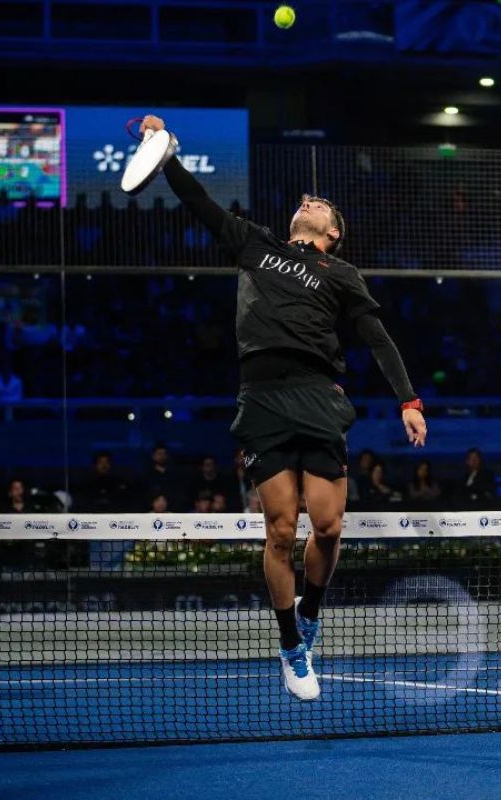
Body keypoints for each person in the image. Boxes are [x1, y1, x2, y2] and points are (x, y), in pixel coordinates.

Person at [140, 113, 427, 700]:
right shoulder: (255, 244)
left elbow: (376, 337)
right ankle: (291, 646)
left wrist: (409, 400)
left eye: (319, 203)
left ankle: (311, 612)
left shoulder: (341, 272)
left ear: (332, 233)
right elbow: (198, 202)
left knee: (328, 524)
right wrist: (164, 153)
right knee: (279, 530)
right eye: (306, 199)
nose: (309, 201)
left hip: (320, 397)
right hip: (264, 397)